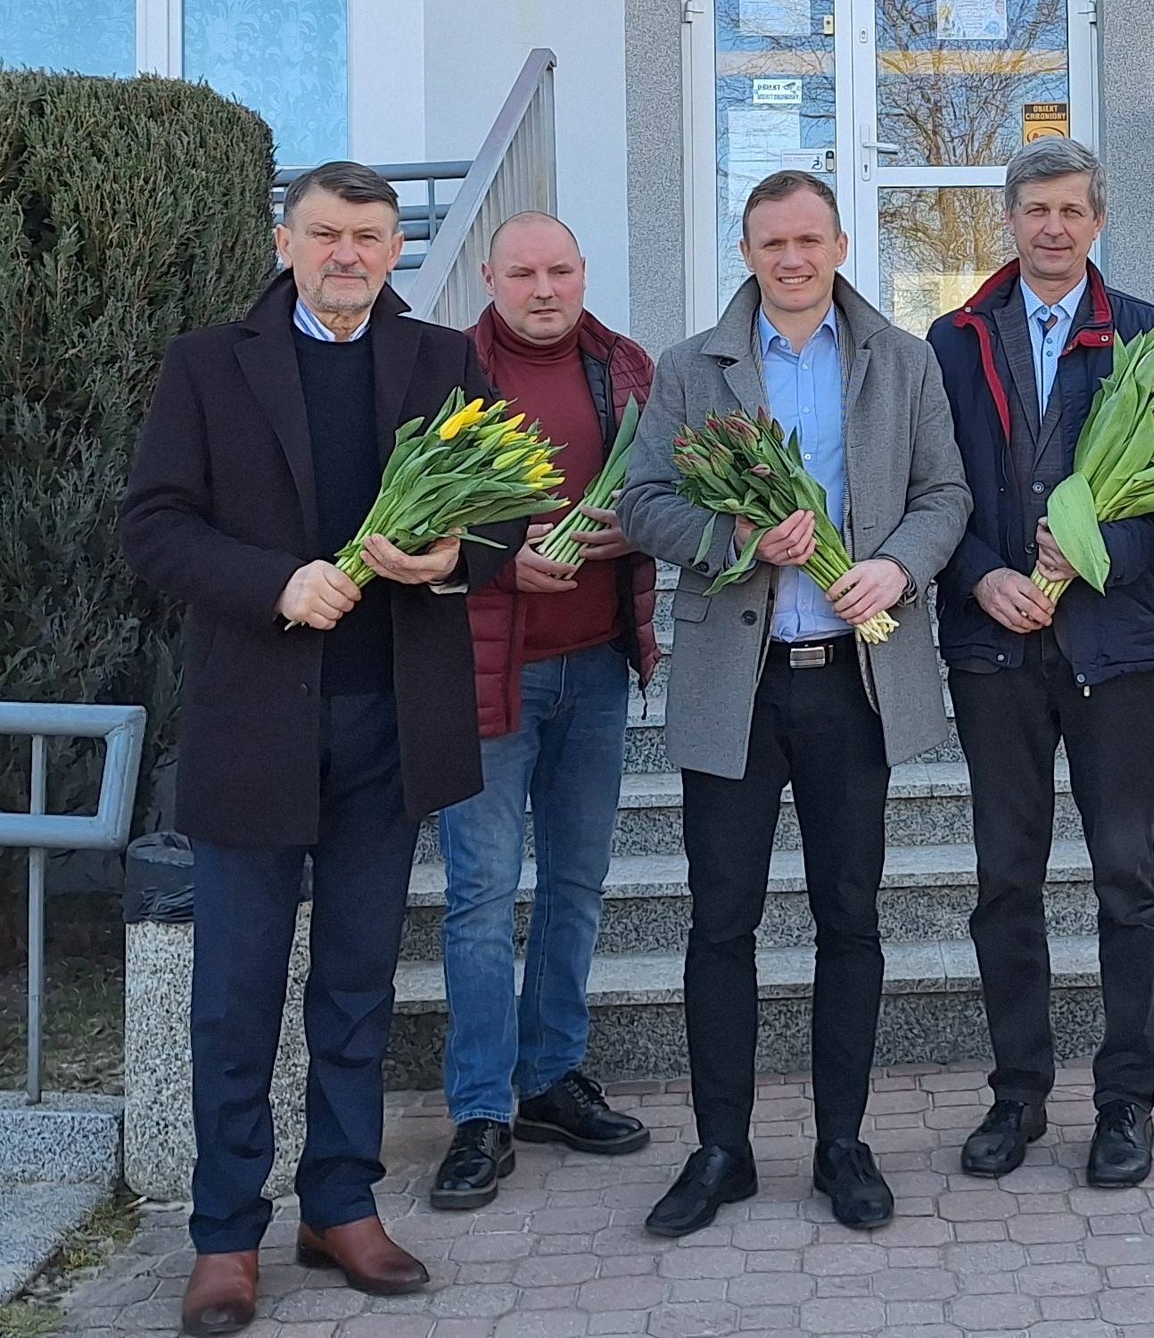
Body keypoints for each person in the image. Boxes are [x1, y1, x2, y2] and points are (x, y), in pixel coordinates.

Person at [120, 162, 524, 1337]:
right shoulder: (209, 362)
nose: (349, 253)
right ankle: (224, 1231)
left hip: (388, 724)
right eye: (327, 233)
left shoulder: (440, 359)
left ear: (397, 248)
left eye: (371, 235)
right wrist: (276, 582)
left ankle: (339, 1204)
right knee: (234, 994)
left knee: (355, 984)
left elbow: (502, 513)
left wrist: (447, 557)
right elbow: (153, 525)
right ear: (285, 241)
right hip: (256, 724)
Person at [618, 170, 970, 1238]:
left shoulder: (900, 360)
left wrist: (897, 568)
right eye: (772, 242)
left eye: (809, 239)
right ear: (746, 250)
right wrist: (732, 538)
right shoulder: (693, 366)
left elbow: (945, 494)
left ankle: (841, 1144)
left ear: (840, 244)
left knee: (848, 917)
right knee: (720, 919)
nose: (792, 258)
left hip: (850, 682)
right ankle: (720, 1149)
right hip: (738, 683)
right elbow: (643, 503)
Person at [926, 137, 1154, 1190]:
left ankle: (1126, 1099)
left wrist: (1089, 556)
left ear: (1097, 220)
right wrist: (980, 576)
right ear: (1008, 218)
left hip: (1109, 653)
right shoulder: (952, 341)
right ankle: (1017, 1092)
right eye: (1035, 208)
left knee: (1125, 878)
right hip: (994, 650)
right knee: (1005, 882)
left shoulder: (1149, 338)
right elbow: (929, 489)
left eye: (1072, 209)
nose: (1052, 226)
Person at [428, 213, 660, 1210]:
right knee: (481, 895)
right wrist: (495, 559)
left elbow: (665, 488)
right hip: (491, 676)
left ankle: (550, 1077)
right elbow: (411, 518)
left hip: (595, 668)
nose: (543, 288)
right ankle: (481, 1108)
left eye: (559, 269)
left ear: (582, 272)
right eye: (522, 272)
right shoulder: (447, 370)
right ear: (489, 276)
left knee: (577, 881)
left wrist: (634, 531)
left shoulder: (626, 365)